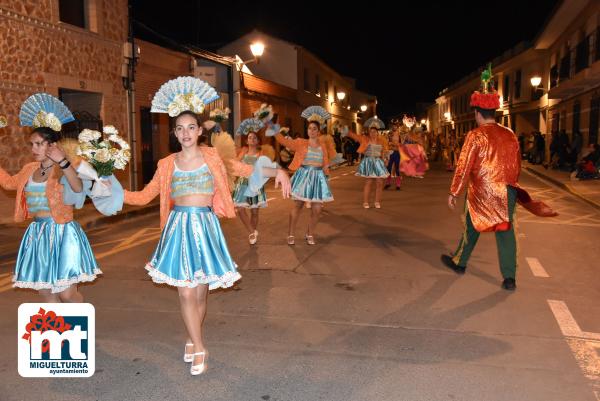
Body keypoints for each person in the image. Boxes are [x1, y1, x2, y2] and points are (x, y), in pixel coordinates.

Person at [120, 77, 291, 376]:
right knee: (185, 292)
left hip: (206, 227)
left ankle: (192, 336)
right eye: (179, 128)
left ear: (199, 131)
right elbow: (145, 195)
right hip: (178, 228)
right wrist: (110, 192)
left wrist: (279, 171)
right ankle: (199, 346)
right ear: (174, 133)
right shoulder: (166, 164)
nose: (185, 133)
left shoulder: (213, 157)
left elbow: (245, 169)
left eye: (190, 127)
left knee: (200, 293)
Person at [441, 65, 557, 291]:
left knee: (471, 227)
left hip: (481, 192)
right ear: (494, 113)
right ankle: (509, 278)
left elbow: (464, 166)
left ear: (476, 113)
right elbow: (516, 165)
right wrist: (510, 187)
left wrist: (454, 192)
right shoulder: (510, 134)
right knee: (506, 232)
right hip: (506, 191)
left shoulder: (475, 135)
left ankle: (459, 263)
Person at [1, 93, 100, 301]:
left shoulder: (63, 167)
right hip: (37, 233)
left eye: (39, 144)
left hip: (63, 232)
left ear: (52, 145)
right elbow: (9, 183)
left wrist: (63, 162)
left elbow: (77, 186)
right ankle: (59, 331)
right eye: (32, 144)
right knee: (46, 291)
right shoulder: (29, 169)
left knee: (67, 292)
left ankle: (78, 316)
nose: (34, 149)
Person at [268, 105, 334, 245]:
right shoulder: (300, 143)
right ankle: (291, 233)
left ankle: (310, 233)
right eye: (309, 128)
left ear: (319, 131)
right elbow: (282, 140)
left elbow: (325, 164)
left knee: (317, 209)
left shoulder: (323, 146)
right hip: (303, 177)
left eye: (314, 129)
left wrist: (326, 180)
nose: (311, 131)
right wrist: (271, 125)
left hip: (317, 178)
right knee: (298, 206)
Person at [231, 117, 270, 244]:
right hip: (242, 184)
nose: (251, 139)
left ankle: (252, 232)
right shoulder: (243, 151)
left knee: (254, 211)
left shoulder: (262, 154)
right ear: (246, 140)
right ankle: (251, 232)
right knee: (240, 209)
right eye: (249, 137)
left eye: (254, 137)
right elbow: (235, 164)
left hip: (255, 184)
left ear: (258, 141)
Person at [344, 118, 390, 208]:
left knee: (379, 182)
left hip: (378, 162)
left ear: (377, 133)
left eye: (374, 132)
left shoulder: (382, 141)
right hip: (368, 161)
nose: (373, 133)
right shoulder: (365, 139)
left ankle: (377, 201)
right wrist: (347, 131)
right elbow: (355, 136)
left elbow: (386, 151)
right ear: (369, 132)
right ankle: (365, 202)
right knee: (368, 182)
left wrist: (386, 160)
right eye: (371, 131)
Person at [384, 124, 402, 190]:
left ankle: (398, 184)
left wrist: (394, 144)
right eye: (393, 127)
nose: (394, 128)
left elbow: (400, 144)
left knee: (397, 168)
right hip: (390, 153)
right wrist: (389, 144)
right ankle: (388, 183)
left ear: (397, 128)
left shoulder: (400, 135)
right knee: (388, 168)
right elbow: (387, 143)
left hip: (397, 153)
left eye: (395, 127)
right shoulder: (389, 134)